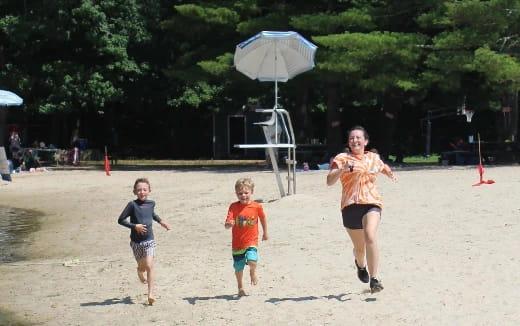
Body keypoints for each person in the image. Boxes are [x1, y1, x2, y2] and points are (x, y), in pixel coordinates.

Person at [326, 126, 397, 294]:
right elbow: (329, 181)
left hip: (372, 202)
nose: (355, 140)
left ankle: (374, 279)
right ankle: (360, 264)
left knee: (370, 236)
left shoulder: (373, 157)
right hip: (350, 206)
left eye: (358, 138)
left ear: (365, 141)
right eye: (352, 138)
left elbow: (382, 167)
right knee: (359, 248)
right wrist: (342, 169)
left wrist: (391, 174)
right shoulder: (342, 158)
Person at [117, 178, 171, 305]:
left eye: (144, 190)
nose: (142, 192)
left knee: (149, 265)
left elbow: (152, 214)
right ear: (135, 191)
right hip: (136, 242)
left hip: (149, 240)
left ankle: (150, 293)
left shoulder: (151, 203)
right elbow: (121, 220)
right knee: (142, 267)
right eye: (139, 190)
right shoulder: (132, 205)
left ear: (149, 191)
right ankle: (139, 271)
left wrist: (161, 222)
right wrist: (134, 226)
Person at [224, 178, 268, 297]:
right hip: (238, 244)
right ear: (236, 194)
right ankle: (240, 287)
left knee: (252, 260)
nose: (243, 195)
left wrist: (265, 232)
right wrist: (228, 224)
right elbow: (227, 223)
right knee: (239, 267)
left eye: (246, 193)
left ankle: (252, 272)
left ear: (251, 192)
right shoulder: (233, 207)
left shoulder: (257, 206)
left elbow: (263, 218)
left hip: (251, 241)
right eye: (240, 193)